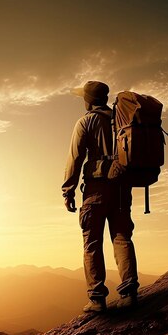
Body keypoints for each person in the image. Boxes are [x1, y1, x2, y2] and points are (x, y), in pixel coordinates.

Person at [62, 80, 139, 313]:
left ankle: (97, 299)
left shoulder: (86, 121)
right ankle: (129, 293)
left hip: (96, 189)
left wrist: (68, 190)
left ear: (89, 100)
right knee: (122, 237)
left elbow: (75, 159)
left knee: (92, 243)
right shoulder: (122, 120)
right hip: (121, 189)